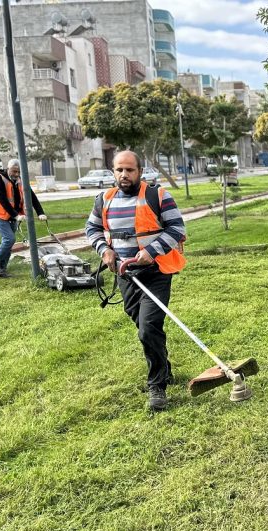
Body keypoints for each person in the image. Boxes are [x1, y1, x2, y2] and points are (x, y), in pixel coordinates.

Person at [86, 151, 187, 411]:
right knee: (145, 326)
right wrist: (104, 250)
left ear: (139, 171)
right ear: (113, 172)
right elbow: (92, 229)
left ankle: (157, 387)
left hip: (156, 272)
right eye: (119, 169)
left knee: (148, 327)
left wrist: (150, 252)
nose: (124, 175)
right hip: (125, 275)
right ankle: (164, 369)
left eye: (129, 170)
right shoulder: (104, 199)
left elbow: (177, 229)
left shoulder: (158, 196)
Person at [0, 159, 47, 277]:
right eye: (14, 171)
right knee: (9, 239)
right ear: (8, 169)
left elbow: (31, 196)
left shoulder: (21, 180)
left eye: (19, 172)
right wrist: (15, 215)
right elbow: (2, 199)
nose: (17, 174)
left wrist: (40, 212)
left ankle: (1, 269)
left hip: (12, 216)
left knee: (8, 244)